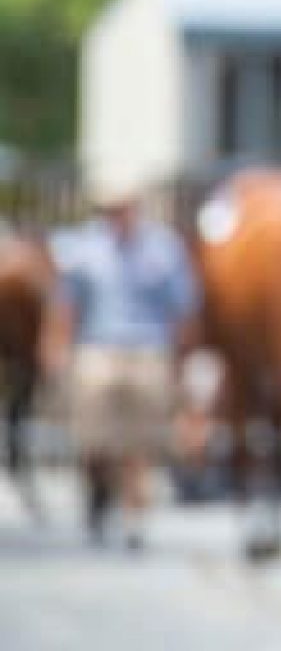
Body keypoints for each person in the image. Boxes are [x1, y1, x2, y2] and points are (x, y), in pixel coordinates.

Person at [44, 165, 199, 551]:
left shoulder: (163, 248)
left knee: (140, 443)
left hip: (148, 349)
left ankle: (134, 515)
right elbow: (66, 303)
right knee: (94, 439)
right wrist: (56, 346)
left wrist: (184, 362)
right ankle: (98, 491)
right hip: (98, 348)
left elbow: (183, 308)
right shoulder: (85, 248)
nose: (115, 216)